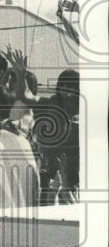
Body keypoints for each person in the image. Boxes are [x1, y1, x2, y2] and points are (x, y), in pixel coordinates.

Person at [33, 68, 80, 203]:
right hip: (51, 163)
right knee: (48, 199)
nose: (65, 88)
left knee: (71, 202)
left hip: (74, 166)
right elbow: (26, 97)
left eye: (70, 85)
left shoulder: (83, 108)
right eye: (63, 84)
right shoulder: (52, 102)